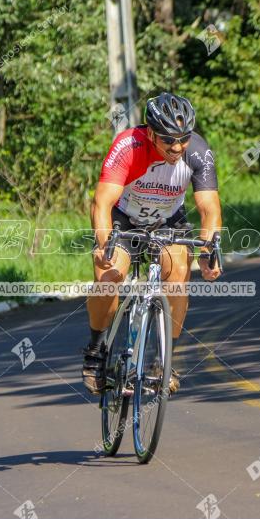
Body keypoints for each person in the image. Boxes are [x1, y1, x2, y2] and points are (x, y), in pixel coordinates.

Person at [82, 92, 222, 395]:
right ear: (149, 133)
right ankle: (96, 352)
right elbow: (102, 201)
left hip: (168, 220)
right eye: (167, 139)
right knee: (109, 277)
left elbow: (209, 208)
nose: (176, 147)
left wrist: (208, 252)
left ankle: (164, 360)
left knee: (178, 275)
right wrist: (104, 244)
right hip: (124, 216)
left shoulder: (197, 151)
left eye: (182, 139)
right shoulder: (129, 145)